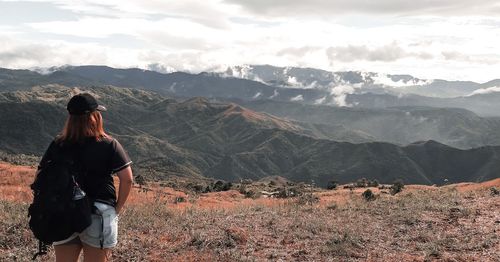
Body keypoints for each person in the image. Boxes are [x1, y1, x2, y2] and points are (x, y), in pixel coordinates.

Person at [37, 93, 133, 262]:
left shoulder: (58, 144)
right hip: (99, 214)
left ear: (70, 118)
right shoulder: (109, 144)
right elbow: (127, 179)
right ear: (95, 117)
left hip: (64, 212)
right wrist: (117, 208)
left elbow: (40, 175)